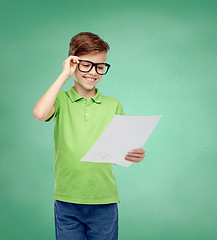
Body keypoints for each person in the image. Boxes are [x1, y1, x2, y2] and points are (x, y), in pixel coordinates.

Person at [33, 32, 146, 240]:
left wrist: (134, 154)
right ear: (73, 63)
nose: (93, 72)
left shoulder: (113, 105)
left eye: (100, 66)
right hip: (67, 200)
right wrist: (63, 76)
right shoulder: (61, 101)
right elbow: (40, 114)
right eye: (86, 65)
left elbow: (121, 151)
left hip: (104, 201)